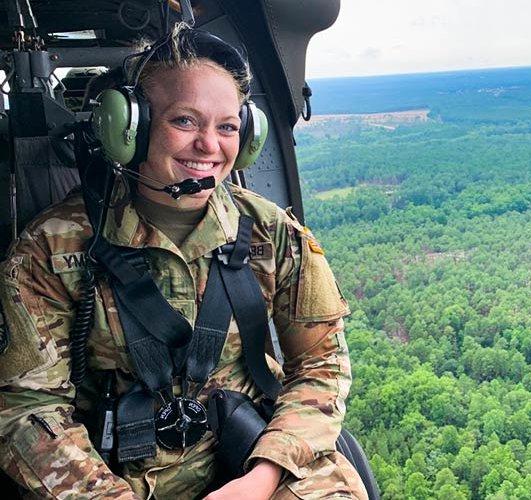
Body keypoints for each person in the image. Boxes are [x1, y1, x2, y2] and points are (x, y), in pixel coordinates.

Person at [0, 25, 368, 499]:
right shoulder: (51, 249)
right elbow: (29, 406)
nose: (210, 146)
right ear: (129, 128)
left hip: (251, 452)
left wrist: (265, 474)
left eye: (228, 126)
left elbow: (321, 364)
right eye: (185, 121)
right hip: (105, 471)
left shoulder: (271, 232)